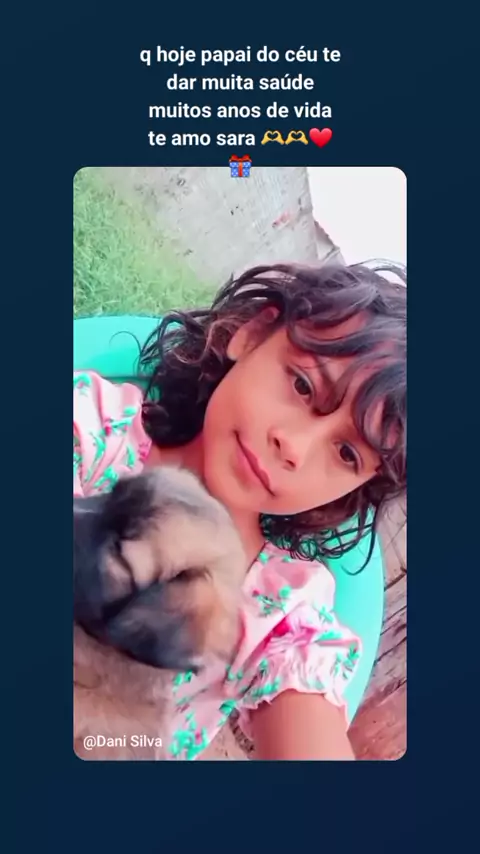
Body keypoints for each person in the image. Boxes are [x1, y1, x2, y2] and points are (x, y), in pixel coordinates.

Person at [73, 261, 406, 760]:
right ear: (251, 335)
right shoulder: (91, 429)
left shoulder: (281, 614)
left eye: (346, 453)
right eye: (302, 386)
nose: (293, 447)